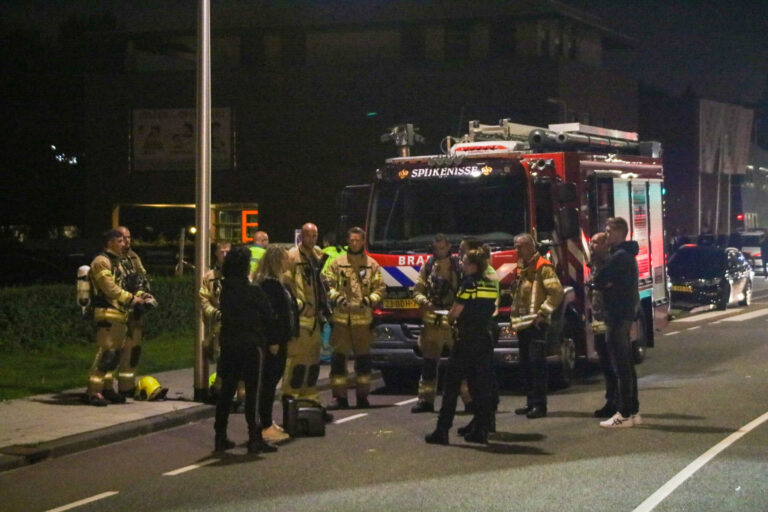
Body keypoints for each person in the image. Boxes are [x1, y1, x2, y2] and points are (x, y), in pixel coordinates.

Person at [425, 247, 499, 445]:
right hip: (484, 339)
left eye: (465, 263)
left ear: (473, 265)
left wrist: (447, 317)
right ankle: (481, 430)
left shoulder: (468, 284)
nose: (462, 266)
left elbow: (455, 312)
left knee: (451, 386)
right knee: (479, 386)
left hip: (465, 341)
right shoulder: (490, 284)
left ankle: (442, 431)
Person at [213, 245, 277, 453]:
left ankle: (220, 435)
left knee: (227, 391)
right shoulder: (253, 291)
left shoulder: (226, 291)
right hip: (251, 346)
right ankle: (254, 436)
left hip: (229, 344)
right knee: (253, 392)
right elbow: (268, 315)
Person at [324, 227, 385, 409]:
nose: (354, 243)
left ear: (363, 242)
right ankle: (339, 397)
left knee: (364, 361)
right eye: (351, 240)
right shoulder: (337, 263)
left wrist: (368, 300)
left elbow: (380, 288)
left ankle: (362, 396)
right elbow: (328, 283)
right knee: (338, 360)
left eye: (357, 240)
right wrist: (337, 298)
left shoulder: (372, 265)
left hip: (363, 321)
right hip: (342, 319)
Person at [590, 217, 641, 428]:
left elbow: (599, 280)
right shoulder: (625, 255)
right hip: (623, 314)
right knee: (627, 365)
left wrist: (603, 284)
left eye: (609, 231)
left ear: (620, 233)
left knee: (621, 366)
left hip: (617, 315)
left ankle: (625, 413)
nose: (606, 234)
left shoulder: (619, 257)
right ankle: (634, 411)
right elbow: (604, 281)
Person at [86, 229, 145, 406]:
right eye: (119, 241)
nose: (124, 244)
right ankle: (93, 392)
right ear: (110, 243)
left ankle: (107, 388)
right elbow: (109, 288)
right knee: (106, 353)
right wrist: (132, 299)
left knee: (115, 356)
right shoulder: (101, 262)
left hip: (120, 315)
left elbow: (130, 282)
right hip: (107, 313)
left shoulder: (118, 262)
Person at [511, 233, 564, 419]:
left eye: (520, 246)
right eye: (516, 246)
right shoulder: (521, 267)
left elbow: (556, 293)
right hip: (523, 324)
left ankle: (540, 405)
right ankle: (530, 402)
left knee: (537, 365)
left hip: (536, 324)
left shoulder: (543, 267)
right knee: (526, 365)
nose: (517, 250)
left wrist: (543, 313)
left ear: (531, 247)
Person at [252, 245, 299, 444]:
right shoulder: (270, 285)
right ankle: (264, 425)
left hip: (280, 339)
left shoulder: (277, 283)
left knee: (271, 382)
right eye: (286, 258)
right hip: (274, 342)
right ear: (277, 261)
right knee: (269, 384)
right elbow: (271, 316)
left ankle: (267, 421)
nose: (290, 261)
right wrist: (273, 341)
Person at [410, 234, 462, 413]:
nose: (440, 251)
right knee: (429, 364)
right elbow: (417, 291)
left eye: (442, 248)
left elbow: (465, 290)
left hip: (453, 323)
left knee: (460, 364)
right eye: (436, 248)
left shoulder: (458, 266)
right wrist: (425, 302)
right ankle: (425, 400)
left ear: (448, 247)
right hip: (432, 325)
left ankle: (469, 400)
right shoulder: (428, 266)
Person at [282, 223, 329, 403]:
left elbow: (320, 284)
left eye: (315, 236)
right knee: (297, 362)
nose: (312, 239)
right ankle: (291, 398)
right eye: (309, 235)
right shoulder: (292, 256)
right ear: (302, 236)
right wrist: (301, 306)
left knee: (313, 362)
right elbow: (286, 287)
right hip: (300, 319)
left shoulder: (317, 255)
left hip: (316, 319)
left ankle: (310, 399)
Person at [116, 226, 157, 399]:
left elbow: (142, 278)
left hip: (135, 311)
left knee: (134, 350)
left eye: (129, 237)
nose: (127, 241)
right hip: (118, 310)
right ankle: (105, 388)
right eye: (123, 238)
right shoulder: (110, 259)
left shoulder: (133, 257)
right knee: (114, 351)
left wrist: (144, 295)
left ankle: (127, 387)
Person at [587, 232, 618, 418]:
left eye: (596, 242)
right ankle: (611, 400)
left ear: (606, 245)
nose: (591, 245)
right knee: (606, 364)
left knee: (614, 363)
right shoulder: (595, 266)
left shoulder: (611, 265)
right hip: (599, 319)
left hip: (610, 319)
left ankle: (619, 401)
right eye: (591, 242)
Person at [199, 241, 231, 401]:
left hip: (235, 324)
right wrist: (215, 313)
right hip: (219, 325)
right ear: (216, 254)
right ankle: (218, 391)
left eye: (227, 251)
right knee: (221, 358)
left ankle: (225, 391)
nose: (225, 255)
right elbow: (203, 299)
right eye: (222, 251)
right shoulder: (209, 277)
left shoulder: (239, 274)